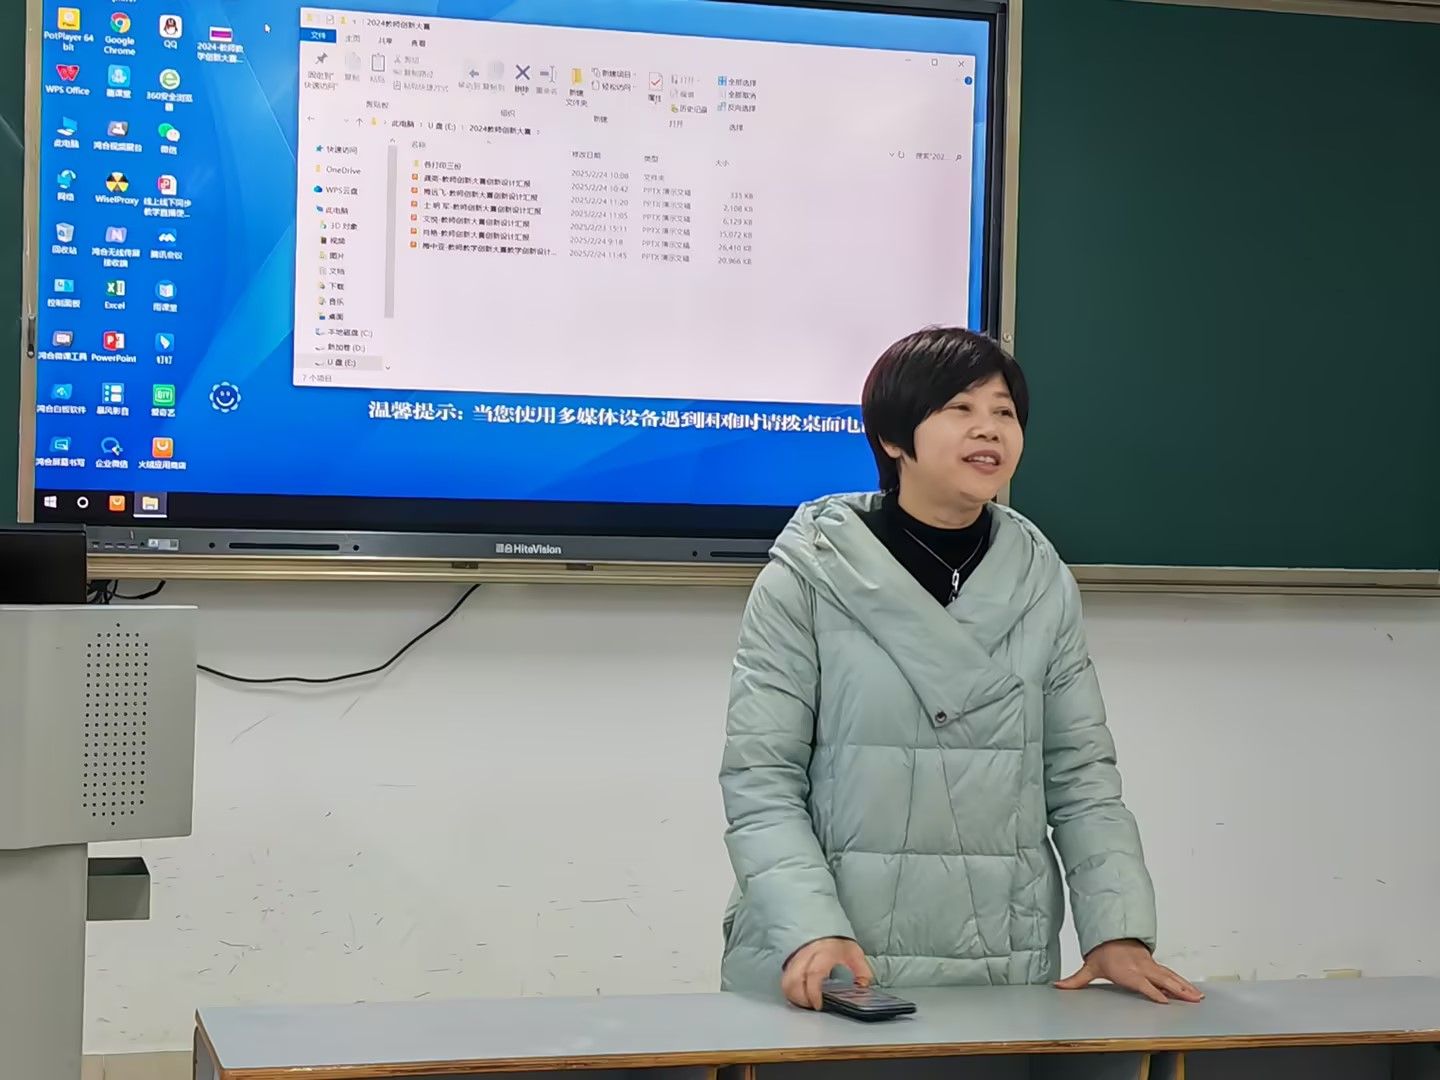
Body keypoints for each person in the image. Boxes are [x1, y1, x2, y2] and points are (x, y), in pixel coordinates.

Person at [719, 327, 1200, 1010]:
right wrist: (809, 927)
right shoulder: (808, 577)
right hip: (834, 963)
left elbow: (1080, 776)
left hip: (1002, 960)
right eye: (960, 408)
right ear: (893, 437)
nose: (989, 429)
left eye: (1005, 411)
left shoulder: (1042, 582)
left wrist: (1117, 931)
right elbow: (761, 778)